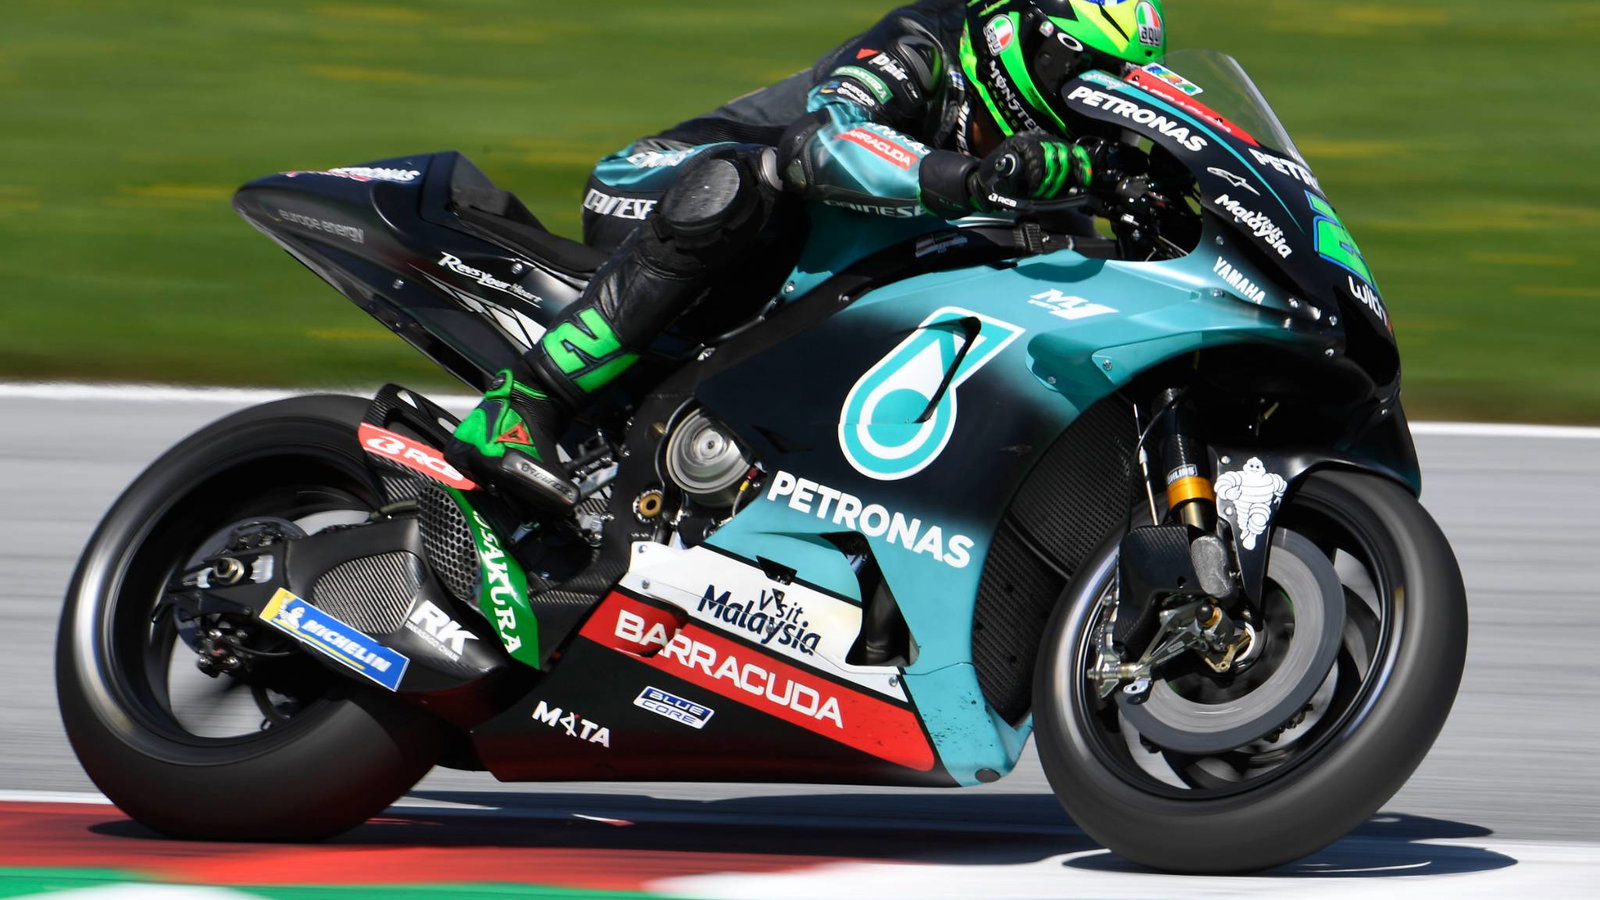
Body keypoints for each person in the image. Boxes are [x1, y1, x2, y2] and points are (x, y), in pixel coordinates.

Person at [446, 0, 1168, 514]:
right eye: (1083, 75)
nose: (1093, 105)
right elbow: (821, 140)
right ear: (1018, 40)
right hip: (659, 184)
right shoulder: (926, 42)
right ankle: (524, 403)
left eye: (1119, 88)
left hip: (809, 261)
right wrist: (969, 179)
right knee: (748, 178)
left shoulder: (1066, 158)